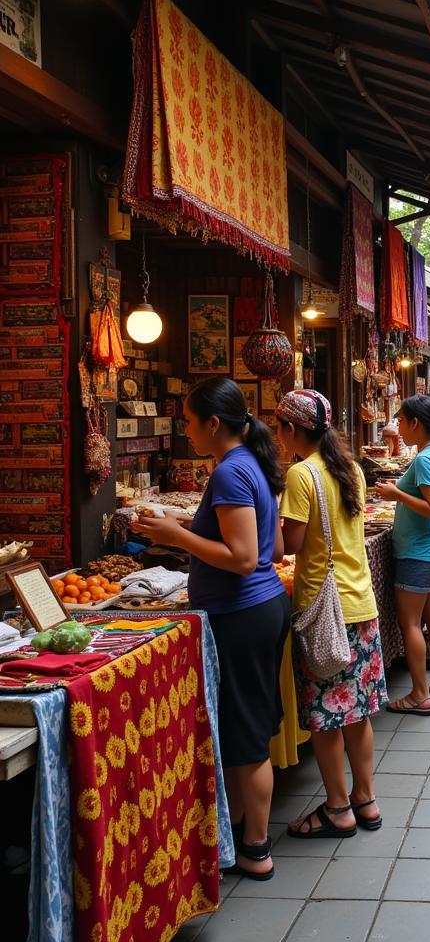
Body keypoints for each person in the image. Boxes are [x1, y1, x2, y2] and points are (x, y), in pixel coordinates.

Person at [137, 377, 288, 880]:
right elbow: (273, 550)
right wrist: (181, 527)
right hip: (257, 609)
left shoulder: (230, 472)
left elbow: (244, 558)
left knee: (245, 736)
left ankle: (256, 847)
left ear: (213, 423)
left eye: (188, 420)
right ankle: (239, 829)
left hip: (242, 615)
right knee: (249, 726)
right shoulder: (248, 464)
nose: (186, 429)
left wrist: (177, 535)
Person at [274, 390, 386, 840]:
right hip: (360, 602)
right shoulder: (351, 469)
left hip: (324, 611)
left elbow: (291, 546)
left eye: (279, 428)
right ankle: (366, 799)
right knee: (358, 714)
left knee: (325, 717)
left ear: (292, 429)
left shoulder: (302, 474)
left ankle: (338, 808)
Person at [375, 395, 430, 716]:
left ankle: (419, 694)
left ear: (414, 423)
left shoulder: (426, 459)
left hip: (420, 554)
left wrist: (396, 493)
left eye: (400, 421)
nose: (397, 428)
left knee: (411, 623)